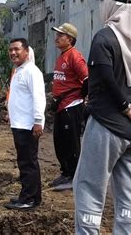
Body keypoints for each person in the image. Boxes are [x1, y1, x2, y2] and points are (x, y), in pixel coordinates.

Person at [73, 0, 131, 234]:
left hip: (107, 127)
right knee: (128, 197)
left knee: (89, 188)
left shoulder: (104, 37)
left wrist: (125, 108)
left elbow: (104, 78)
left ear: (113, 6)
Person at [3, 38, 46, 211]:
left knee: (28, 163)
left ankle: (28, 198)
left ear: (26, 51)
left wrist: (38, 121)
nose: (13, 53)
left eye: (17, 49)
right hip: (19, 124)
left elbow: (39, 98)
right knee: (27, 162)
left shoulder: (31, 72)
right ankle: (33, 196)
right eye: (11, 50)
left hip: (27, 125)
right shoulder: (19, 70)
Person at [50, 22, 88, 191]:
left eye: (61, 35)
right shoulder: (61, 56)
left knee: (71, 143)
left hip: (72, 105)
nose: (57, 38)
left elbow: (87, 79)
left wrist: (81, 96)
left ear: (70, 39)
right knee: (60, 141)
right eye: (57, 34)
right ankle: (66, 172)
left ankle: (74, 176)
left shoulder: (74, 56)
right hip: (61, 106)